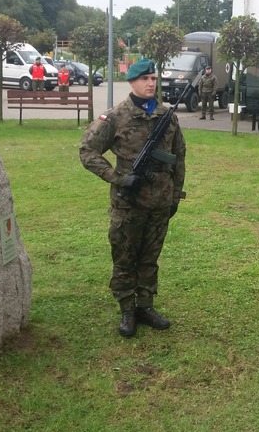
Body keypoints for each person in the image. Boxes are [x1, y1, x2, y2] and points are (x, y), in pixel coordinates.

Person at [79, 59, 186, 338]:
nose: (151, 83)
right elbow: (88, 152)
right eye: (145, 78)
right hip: (128, 204)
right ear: (132, 82)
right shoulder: (115, 117)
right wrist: (118, 178)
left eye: (154, 78)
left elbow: (179, 157)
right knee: (125, 258)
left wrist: (174, 197)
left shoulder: (167, 116)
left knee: (150, 258)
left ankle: (146, 306)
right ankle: (127, 309)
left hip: (160, 203)